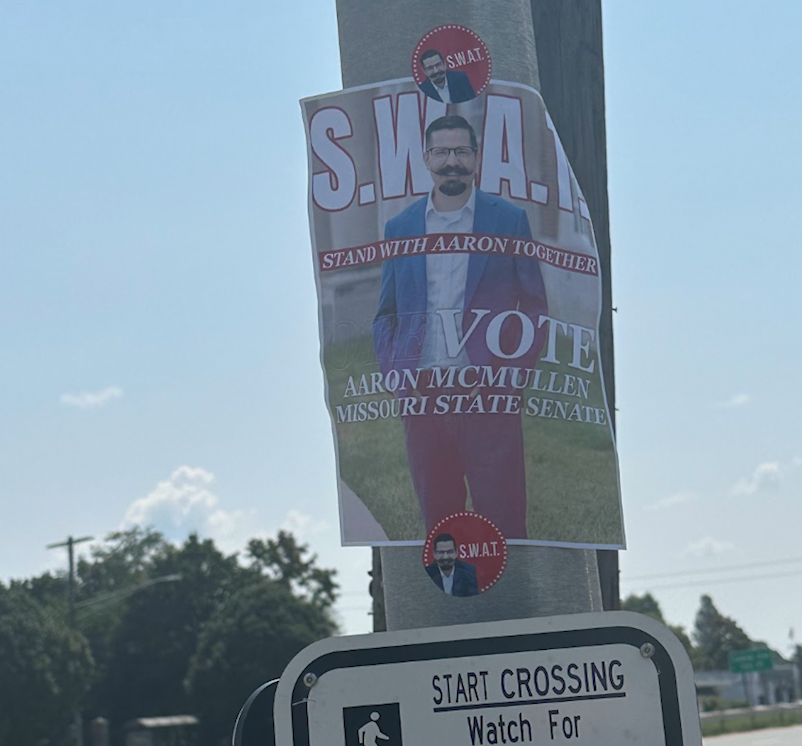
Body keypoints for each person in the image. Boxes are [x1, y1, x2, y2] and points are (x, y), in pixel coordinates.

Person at [373, 115, 547, 539]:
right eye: (443, 152)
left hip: (486, 394)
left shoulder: (508, 220)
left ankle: (514, 604)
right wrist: (401, 379)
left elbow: (535, 307)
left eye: (462, 151)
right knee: (440, 529)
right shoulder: (400, 228)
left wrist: (509, 377)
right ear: (427, 158)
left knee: (505, 522)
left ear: (477, 157)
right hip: (424, 397)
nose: (453, 161)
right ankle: (451, 604)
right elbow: (385, 316)